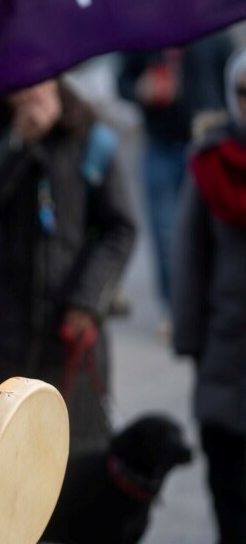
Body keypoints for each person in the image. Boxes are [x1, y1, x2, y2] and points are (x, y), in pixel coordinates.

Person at [0, 79, 136, 541]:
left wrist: (88, 299)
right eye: (18, 84)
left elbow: (120, 228)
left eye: (39, 81)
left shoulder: (91, 137)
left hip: (69, 332)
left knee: (70, 473)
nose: (28, 92)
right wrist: (18, 143)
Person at [172, 47, 246, 544]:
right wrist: (191, 342)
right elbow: (189, 262)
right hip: (228, 357)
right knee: (230, 491)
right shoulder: (211, 162)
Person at [117, 34, 232, 332]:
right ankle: (176, 310)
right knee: (166, 234)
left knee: (208, 231)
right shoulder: (146, 33)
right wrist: (140, 89)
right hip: (160, 146)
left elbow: (231, 83)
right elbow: (122, 83)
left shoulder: (212, 31)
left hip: (205, 147)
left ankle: (206, 305)